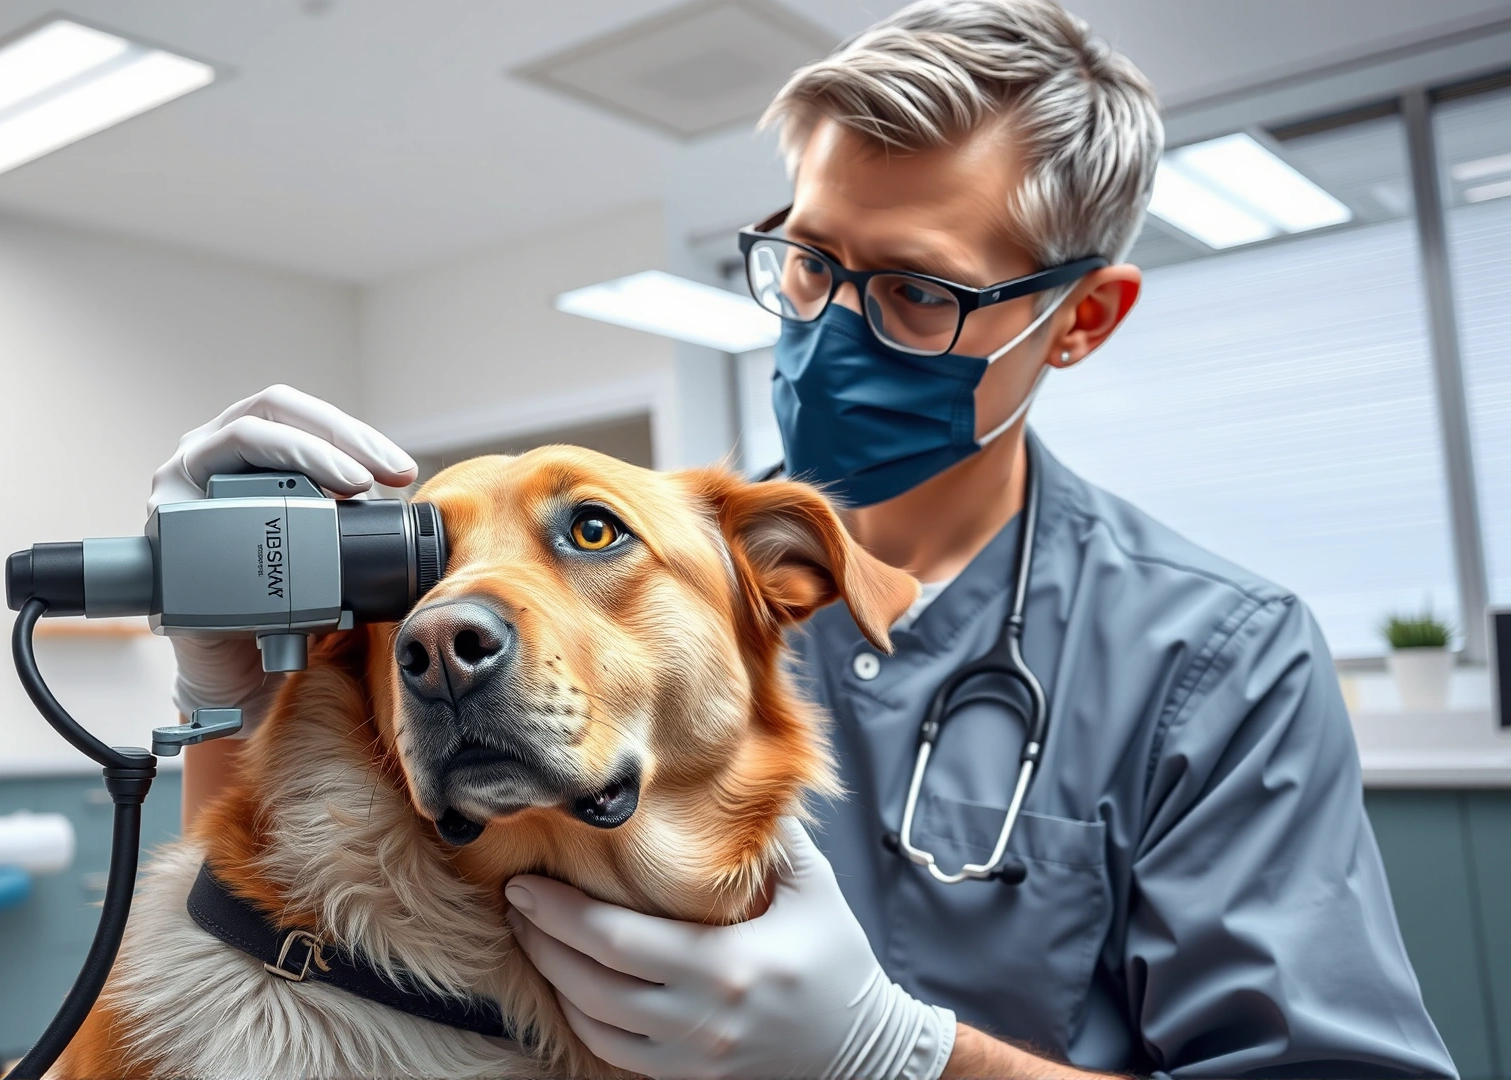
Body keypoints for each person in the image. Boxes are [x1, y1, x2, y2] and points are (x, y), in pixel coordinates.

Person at [155, 1, 1457, 1076]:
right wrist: (226, 690)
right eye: (805, 263)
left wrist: (903, 1058)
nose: (830, 328)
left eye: (913, 290)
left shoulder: (1216, 661)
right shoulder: (645, 581)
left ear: (1079, 321)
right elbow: (289, 929)